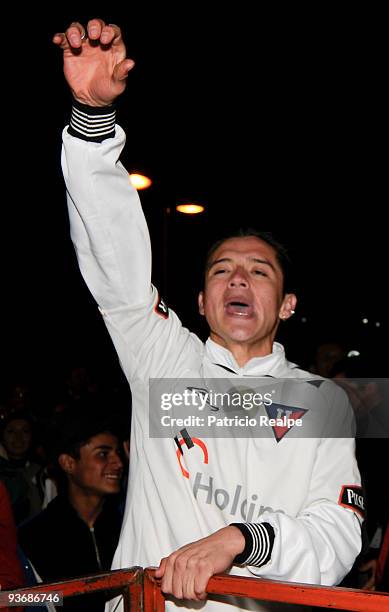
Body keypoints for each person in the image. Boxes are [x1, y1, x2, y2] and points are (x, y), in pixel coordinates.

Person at [53, 19, 363, 611]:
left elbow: (338, 531)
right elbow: (116, 265)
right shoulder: (166, 360)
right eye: (221, 270)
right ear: (201, 303)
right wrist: (92, 123)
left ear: (288, 305)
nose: (239, 278)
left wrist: (243, 540)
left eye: (260, 271)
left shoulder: (323, 401)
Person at [18, 405, 125, 612]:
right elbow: (19, 601)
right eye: (103, 454)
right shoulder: (33, 537)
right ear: (68, 463)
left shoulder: (128, 524)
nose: (118, 463)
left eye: (118, 453)